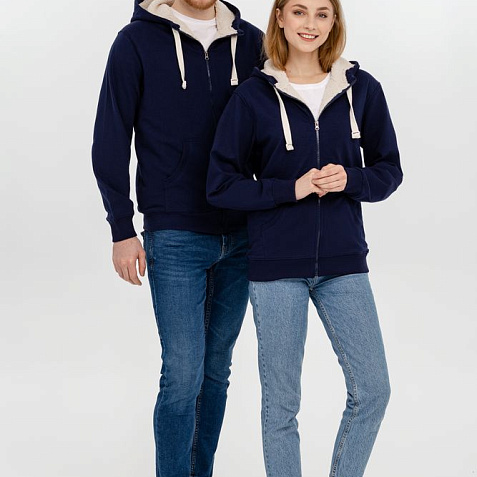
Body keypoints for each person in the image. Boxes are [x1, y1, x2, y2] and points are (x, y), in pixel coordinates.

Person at [206, 0, 403, 475]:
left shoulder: (361, 89)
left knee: (373, 389)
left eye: (321, 13)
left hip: (343, 263)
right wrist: (287, 189)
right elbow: (221, 185)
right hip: (275, 268)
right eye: (299, 11)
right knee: (281, 404)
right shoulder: (252, 96)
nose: (310, 24)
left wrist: (352, 179)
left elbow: (389, 171)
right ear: (279, 17)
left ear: (334, 22)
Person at [91, 1, 263, 476]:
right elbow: (110, 137)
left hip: (242, 234)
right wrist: (121, 229)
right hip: (175, 233)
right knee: (183, 375)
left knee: (216, 373)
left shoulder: (250, 41)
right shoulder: (136, 41)